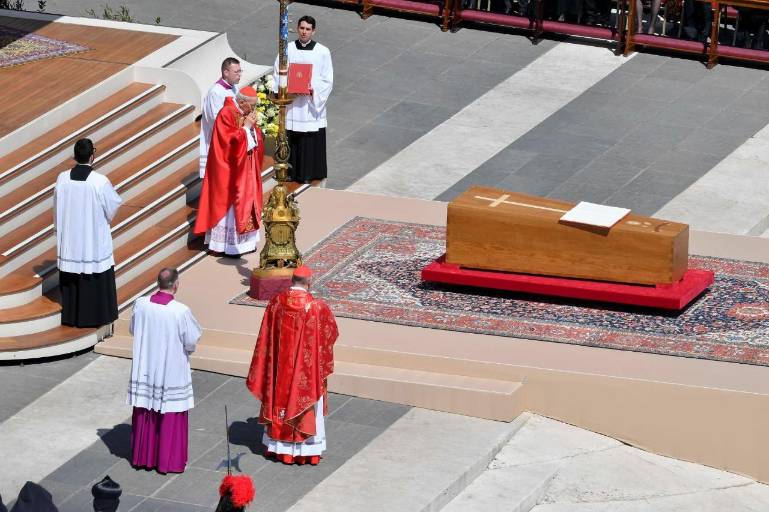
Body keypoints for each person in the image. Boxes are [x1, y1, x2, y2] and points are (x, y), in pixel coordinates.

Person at [246, 265, 339, 465]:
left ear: (292, 281)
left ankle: (280, 448)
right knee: (305, 400)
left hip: (280, 369)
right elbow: (330, 334)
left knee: (279, 399)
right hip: (305, 370)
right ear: (309, 282)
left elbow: (266, 338)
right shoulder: (316, 307)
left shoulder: (276, 303)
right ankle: (307, 452)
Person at [127, 268, 202, 474]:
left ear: (157, 282)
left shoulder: (140, 304)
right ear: (176, 285)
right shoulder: (180, 311)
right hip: (170, 370)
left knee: (146, 410)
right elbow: (191, 341)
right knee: (170, 412)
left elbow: (133, 329)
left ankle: (144, 458)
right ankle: (168, 462)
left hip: (146, 367)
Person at [54, 138, 121, 328]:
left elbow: (57, 206)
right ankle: (92, 317)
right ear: (93, 155)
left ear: (75, 156)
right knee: (93, 275)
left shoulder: (62, 178)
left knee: (72, 278)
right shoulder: (99, 181)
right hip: (92, 239)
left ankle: (71, 317)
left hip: (70, 240)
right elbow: (113, 206)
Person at [194, 86, 264, 257]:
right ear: (241, 102)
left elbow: (254, 137)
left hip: (245, 168)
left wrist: (252, 129)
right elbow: (228, 143)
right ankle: (227, 245)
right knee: (233, 205)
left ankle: (245, 243)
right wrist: (246, 128)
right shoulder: (226, 113)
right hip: (229, 170)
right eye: (251, 106)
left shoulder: (243, 112)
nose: (253, 109)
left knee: (247, 201)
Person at [273, 15, 333, 185]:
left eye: (308, 29)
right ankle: (291, 172)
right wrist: (288, 87)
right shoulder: (287, 49)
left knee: (309, 139)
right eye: (301, 28)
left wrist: (313, 89)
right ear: (297, 29)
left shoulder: (322, 51)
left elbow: (328, 79)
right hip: (293, 103)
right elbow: (278, 71)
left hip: (310, 103)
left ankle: (309, 173)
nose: (304, 32)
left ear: (313, 31)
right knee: (293, 137)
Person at [200, 57, 242, 178]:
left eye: (240, 71)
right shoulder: (215, 92)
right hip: (220, 142)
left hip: (233, 138)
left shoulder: (234, 88)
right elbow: (216, 119)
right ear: (226, 72)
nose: (239, 75)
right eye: (236, 72)